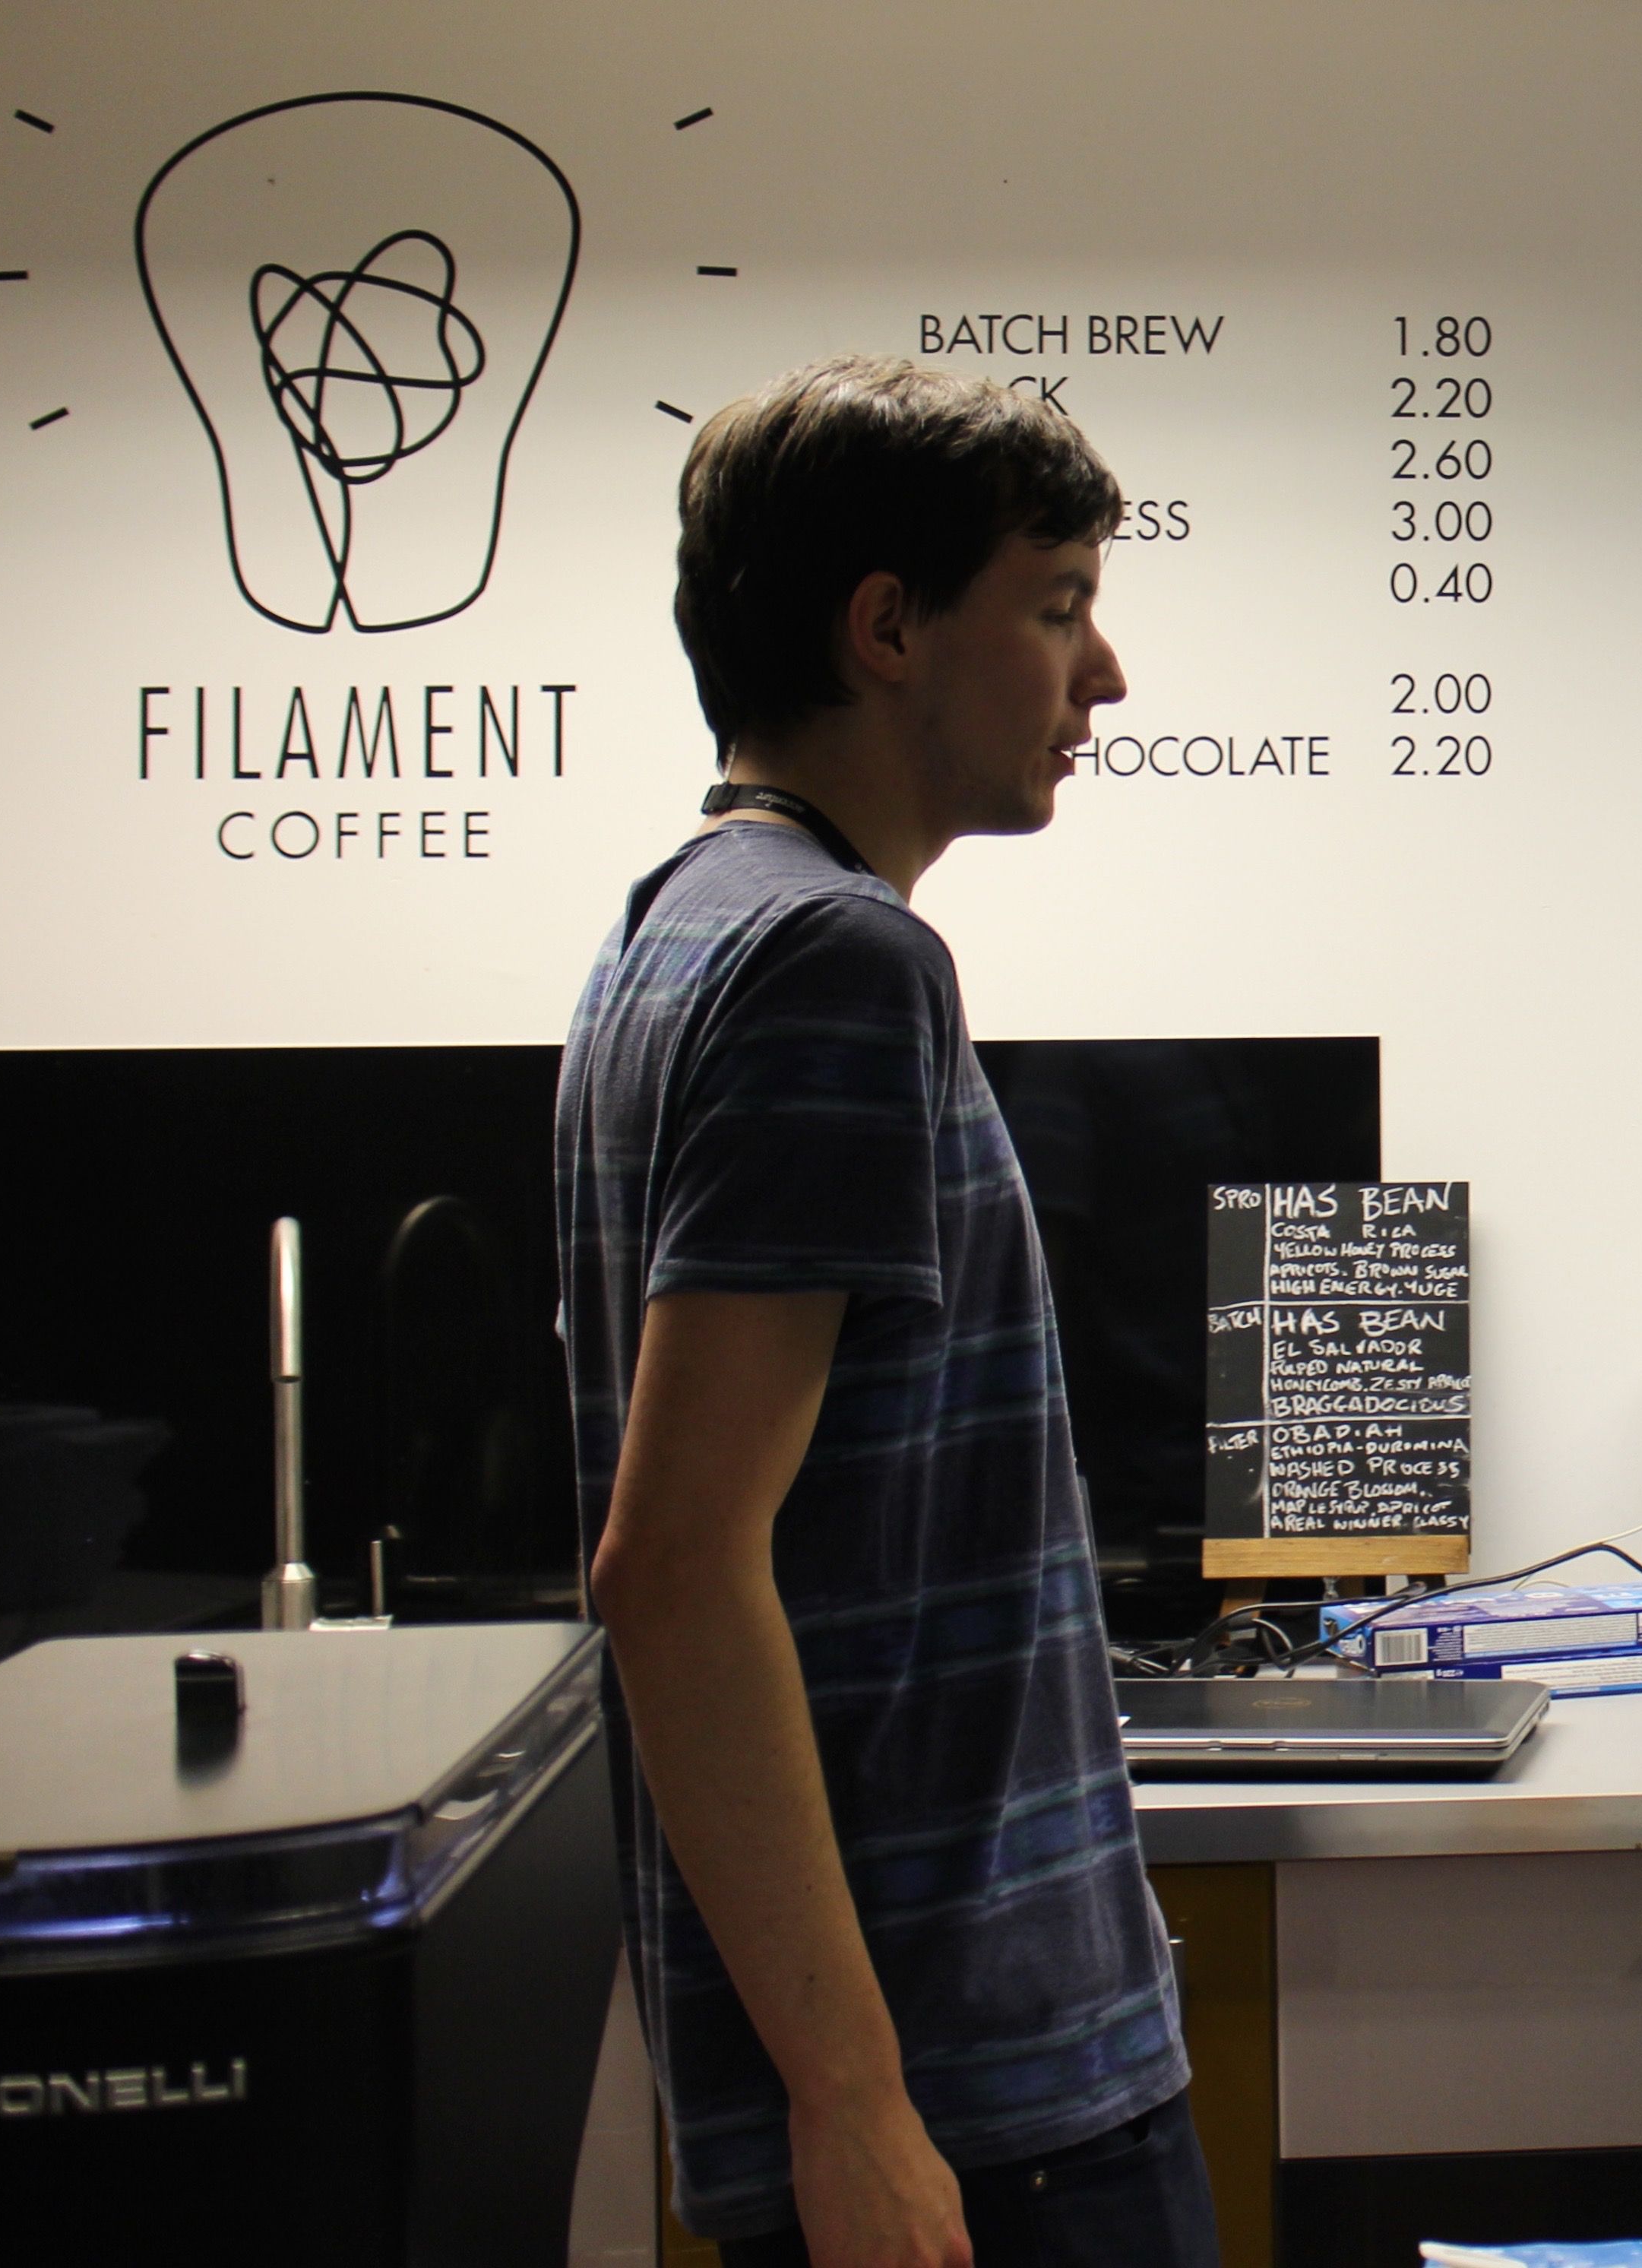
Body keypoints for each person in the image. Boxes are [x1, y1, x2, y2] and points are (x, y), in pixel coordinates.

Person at [557, 357, 1214, 2268]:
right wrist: (856, 2105)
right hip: (973, 2098)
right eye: (1059, 605)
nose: (1105, 679)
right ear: (886, 629)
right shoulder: (835, 963)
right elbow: (673, 1568)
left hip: (936, 2082)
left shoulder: (677, 925)